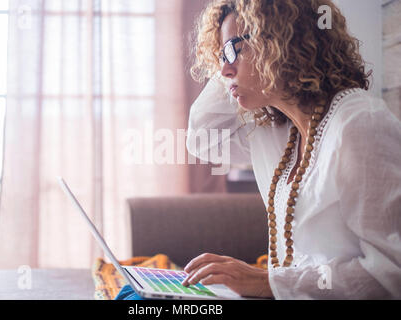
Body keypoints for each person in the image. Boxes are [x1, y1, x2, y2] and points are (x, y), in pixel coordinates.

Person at [116, 0, 401, 300]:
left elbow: (391, 273)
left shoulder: (359, 124)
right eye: (221, 56)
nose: (224, 70)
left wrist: (268, 282)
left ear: (280, 41)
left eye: (233, 52)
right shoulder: (275, 129)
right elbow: (201, 138)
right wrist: (234, 54)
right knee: (136, 298)